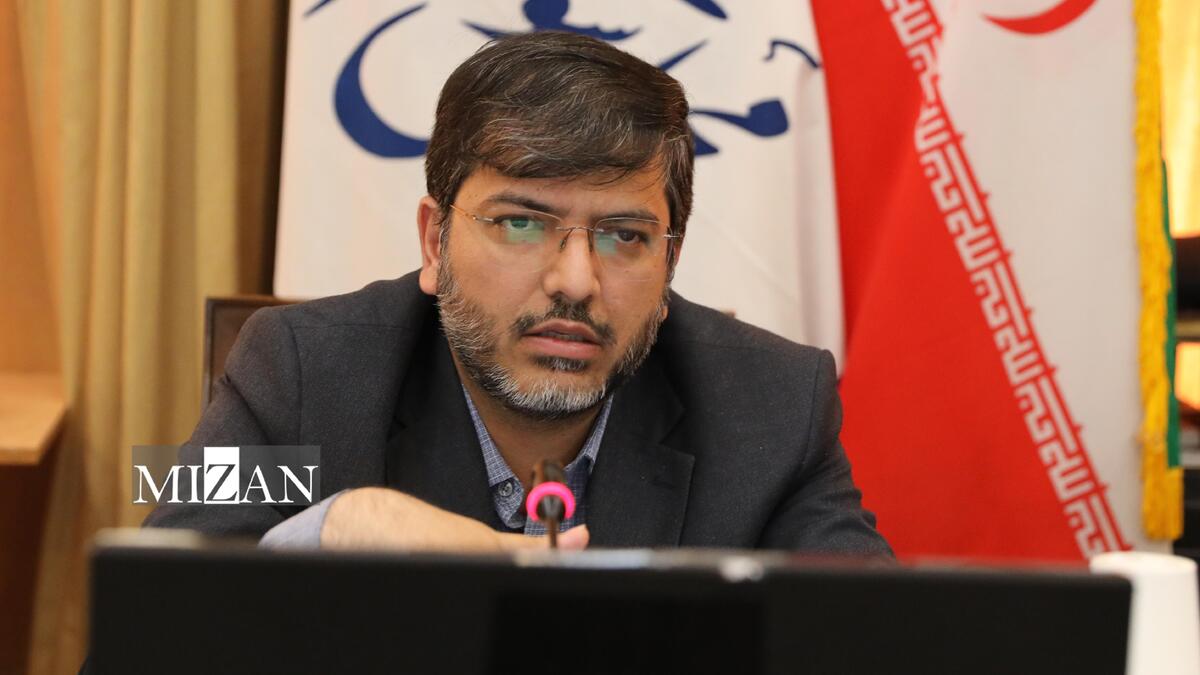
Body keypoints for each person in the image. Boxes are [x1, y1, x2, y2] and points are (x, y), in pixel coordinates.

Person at [144, 31, 891, 558]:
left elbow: (875, 642)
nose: (575, 281)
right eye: (521, 223)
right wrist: (332, 527)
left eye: (623, 235)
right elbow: (143, 638)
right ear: (434, 242)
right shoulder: (298, 374)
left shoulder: (773, 410)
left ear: (669, 265)